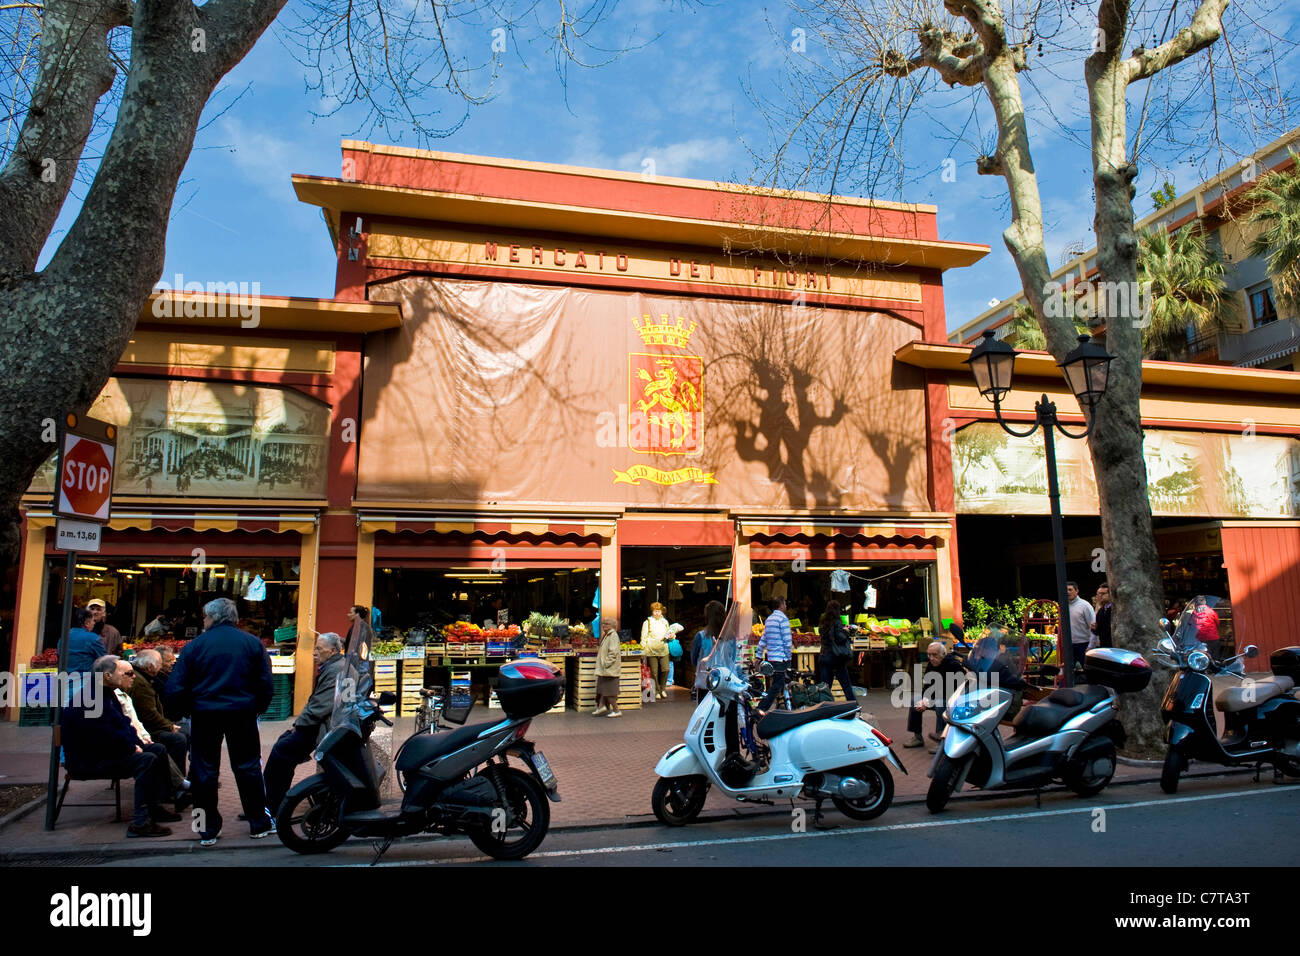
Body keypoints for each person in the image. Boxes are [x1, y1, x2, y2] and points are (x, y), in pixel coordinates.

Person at [164, 597, 275, 847]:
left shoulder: (196, 646)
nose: (203, 621)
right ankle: (258, 822)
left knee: (204, 771)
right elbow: (266, 684)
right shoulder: (252, 644)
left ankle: (207, 829)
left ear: (212, 617)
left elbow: (174, 687)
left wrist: (187, 710)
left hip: (205, 714)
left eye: (204, 616)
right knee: (248, 767)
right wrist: (256, 709)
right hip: (242, 713)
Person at [61, 656, 179, 838]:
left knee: (157, 749)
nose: (133, 677)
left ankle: (154, 807)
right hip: (89, 761)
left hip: (106, 753)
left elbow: (123, 724)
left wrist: (137, 743)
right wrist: (131, 748)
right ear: (107, 675)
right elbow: (104, 735)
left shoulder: (106, 693)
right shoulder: (91, 699)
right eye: (128, 673)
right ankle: (140, 822)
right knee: (146, 760)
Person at [263, 633, 348, 813]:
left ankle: (273, 805)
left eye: (319, 649)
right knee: (283, 747)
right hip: (318, 725)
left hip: (321, 728)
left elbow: (319, 706)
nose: (314, 652)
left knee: (282, 751)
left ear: (332, 651)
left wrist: (299, 725)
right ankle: (272, 802)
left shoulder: (336, 670)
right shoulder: (333, 667)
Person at [128, 649, 191, 794]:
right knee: (179, 738)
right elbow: (149, 714)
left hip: (150, 726)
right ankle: (175, 786)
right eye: (161, 663)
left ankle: (179, 782)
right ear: (150, 666)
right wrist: (169, 726)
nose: (168, 665)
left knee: (184, 734)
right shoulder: (141, 683)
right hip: (148, 729)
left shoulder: (146, 679)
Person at [903, 641, 968, 749]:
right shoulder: (931, 664)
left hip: (952, 699)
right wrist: (924, 700)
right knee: (915, 701)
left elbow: (950, 691)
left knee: (939, 704)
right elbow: (927, 686)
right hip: (936, 697)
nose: (931, 658)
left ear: (943, 654)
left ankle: (941, 739)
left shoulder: (953, 665)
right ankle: (917, 737)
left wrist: (928, 701)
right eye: (929, 654)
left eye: (934, 655)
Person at [968, 631, 1027, 722]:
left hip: (1005, 707)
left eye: (981, 649)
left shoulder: (1000, 662)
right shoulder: (986, 661)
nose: (979, 652)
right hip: (991, 704)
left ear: (990, 650)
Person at [756, 595, 793, 715]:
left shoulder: (769, 619)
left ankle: (783, 706)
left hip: (772, 658)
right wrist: (789, 657)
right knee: (778, 685)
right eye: (785, 604)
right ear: (781, 605)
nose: (786, 606)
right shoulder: (783, 619)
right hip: (781, 659)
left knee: (777, 683)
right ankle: (762, 707)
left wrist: (758, 654)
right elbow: (787, 641)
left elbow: (764, 638)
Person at [817, 600, 856, 701]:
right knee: (846, 685)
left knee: (825, 687)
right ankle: (853, 707)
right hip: (836, 658)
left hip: (823, 656)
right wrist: (846, 631)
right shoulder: (837, 622)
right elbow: (840, 638)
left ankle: (824, 708)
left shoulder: (823, 621)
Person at [691, 600, 724, 700]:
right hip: (725, 683)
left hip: (706, 682)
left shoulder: (700, 636)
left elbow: (693, 659)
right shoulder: (731, 637)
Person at [641, 602, 672, 700]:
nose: (657, 613)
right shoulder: (647, 622)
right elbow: (644, 637)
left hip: (663, 648)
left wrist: (672, 636)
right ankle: (657, 690)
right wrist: (643, 650)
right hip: (651, 649)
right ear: (652, 612)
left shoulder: (665, 622)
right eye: (655, 611)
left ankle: (663, 689)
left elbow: (669, 634)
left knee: (665, 669)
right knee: (654, 672)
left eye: (659, 611)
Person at [593, 622, 623, 718]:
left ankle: (616, 710)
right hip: (605, 669)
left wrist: (607, 663)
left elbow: (613, 652)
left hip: (610, 669)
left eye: (606, 624)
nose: (604, 626)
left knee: (609, 691)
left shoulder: (613, 636)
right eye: (603, 624)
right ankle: (601, 707)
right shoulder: (607, 635)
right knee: (603, 688)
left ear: (612, 626)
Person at [1065, 582, 1095, 677]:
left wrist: (1091, 645)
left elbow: (1093, 626)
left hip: (1083, 644)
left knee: (1089, 673)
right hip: (1069, 644)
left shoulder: (1085, 605)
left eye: (1070, 589)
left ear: (1077, 591)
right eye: (1066, 590)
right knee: (1067, 674)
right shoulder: (1063, 605)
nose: (1068, 592)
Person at [65, 607, 107, 674]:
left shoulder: (64, 637)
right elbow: (104, 660)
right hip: (86, 681)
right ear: (87, 623)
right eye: (93, 621)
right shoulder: (92, 638)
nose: (94, 623)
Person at [1193, 596, 1221, 661]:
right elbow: (1217, 622)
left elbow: (1192, 625)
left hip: (1200, 638)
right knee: (1215, 654)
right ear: (1205, 602)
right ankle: (1215, 666)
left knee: (1203, 653)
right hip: (1213, 637)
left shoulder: (1194, 613)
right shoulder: (1210, 611)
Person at [1092, 584, 1113, 650]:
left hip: (1114, 646)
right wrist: (1094, 628)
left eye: (1103, 594)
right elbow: (1098, 632)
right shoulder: (1101, 610)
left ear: (1110, 594)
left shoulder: (1115, 610)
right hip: (1104, 646)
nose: (1100, 596)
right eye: (1098, 594)